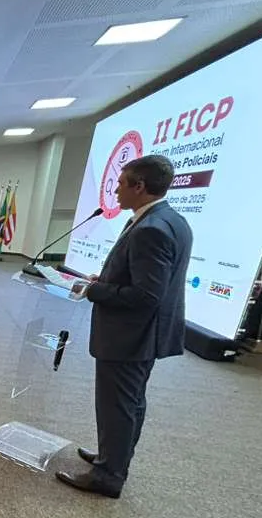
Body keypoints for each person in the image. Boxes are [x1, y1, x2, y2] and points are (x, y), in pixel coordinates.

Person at [59, 155, 193, 499]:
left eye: (121, 183)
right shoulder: (171, 220)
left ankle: (108, 475)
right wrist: (105, 278)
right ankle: (113, 459)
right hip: (143, 335)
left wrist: (96, 289)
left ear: (140, 187)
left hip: (129, 335)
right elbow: (146, 280)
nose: (115, 189)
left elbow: (146, 295)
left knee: (117, 404)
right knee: (131, 402)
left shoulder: (151, 229)